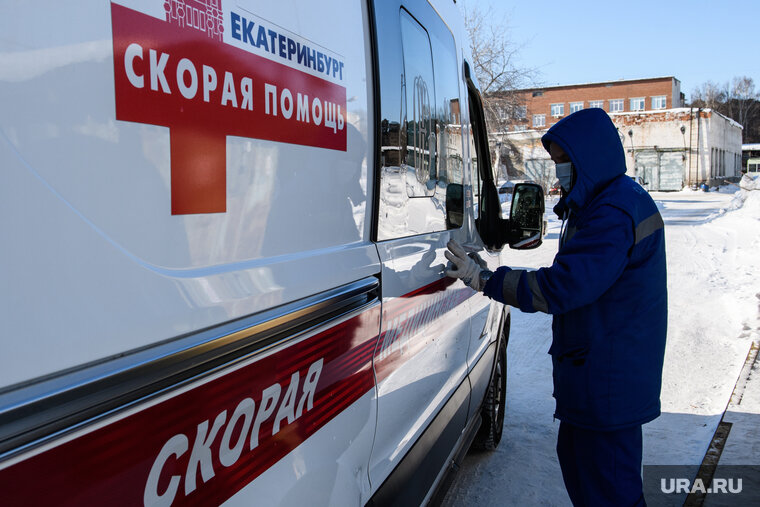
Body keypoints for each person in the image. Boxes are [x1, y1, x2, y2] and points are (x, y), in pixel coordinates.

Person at [445, 108, 667, 506]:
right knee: (587, 474)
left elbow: (564, 286)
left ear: (589, 157)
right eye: (556, 161)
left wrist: (485, 280)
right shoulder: (605, 201)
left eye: (564, 161)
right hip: (601, 377)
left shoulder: (612, 213)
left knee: (608, 489)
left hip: (608, 383)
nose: (559, 170)